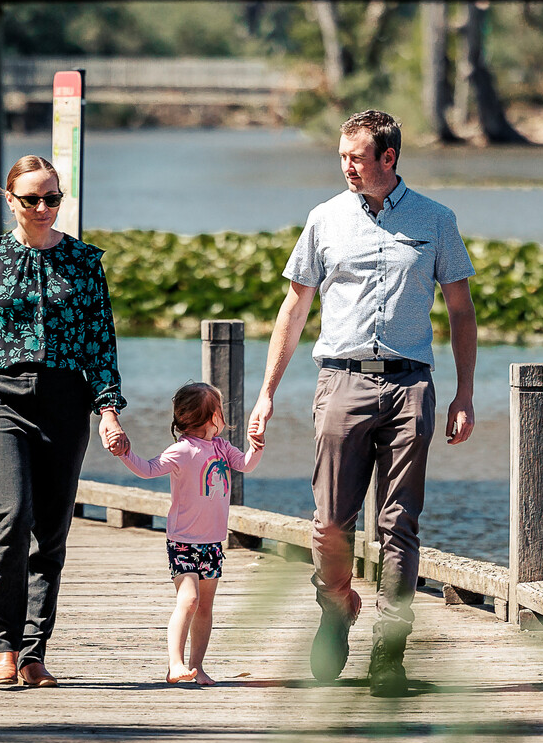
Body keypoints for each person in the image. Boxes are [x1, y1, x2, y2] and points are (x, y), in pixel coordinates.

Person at [247, 109, 478, 698]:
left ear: (389, 158)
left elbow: (459, 311)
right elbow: (294, 309)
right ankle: (334, 606)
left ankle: (389, 655)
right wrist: (267, 394)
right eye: (342, 156)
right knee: (330, 524)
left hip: (411, 386)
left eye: (357, 157)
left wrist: (464, 393)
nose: (347, 166)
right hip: (341, 383)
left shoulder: (436, 220)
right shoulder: (324, 219)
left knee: (400, 523)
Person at [0, 154, 131, 691]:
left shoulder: (85, 262)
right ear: (10, 199)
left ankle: (34, 651)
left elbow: (100, 344)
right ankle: (3, 644)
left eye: (52, 198)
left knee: (51, 530)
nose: (43, 208)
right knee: (12, 514)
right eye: (31, 199)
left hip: (67, 402)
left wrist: (109, 410)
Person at [113, 381, 265, 685]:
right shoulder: (181, 450)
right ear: (210, 418)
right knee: (189, 600)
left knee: (205, 606)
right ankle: (175, 663)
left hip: (213, 543)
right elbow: (148, 468)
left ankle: (197, 666)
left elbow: (246, 465)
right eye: (220, 411)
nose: (224, 416)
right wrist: (124, 454)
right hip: (183, 541)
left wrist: (256, 447)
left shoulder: (222, 447)